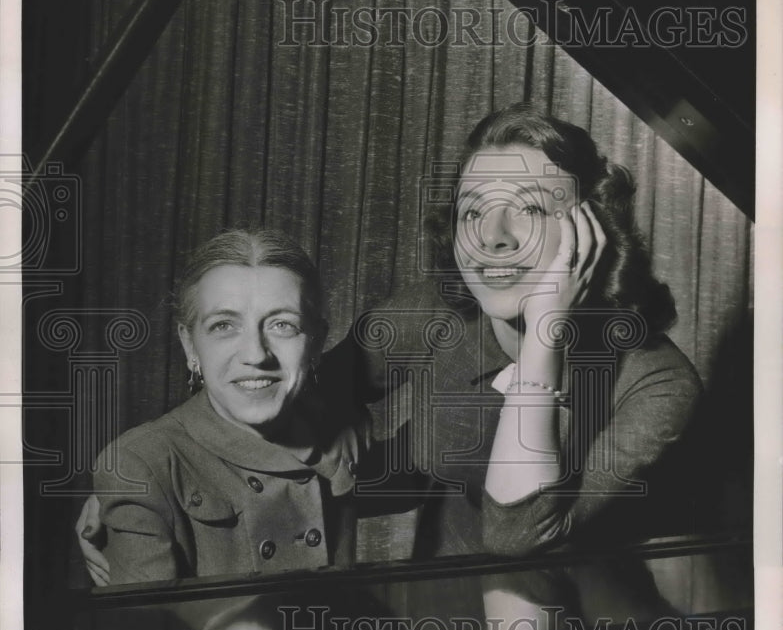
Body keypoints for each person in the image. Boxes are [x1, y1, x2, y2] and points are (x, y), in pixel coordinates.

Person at [341, 102, 703, 555]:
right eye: (472, 212)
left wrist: (544, 334)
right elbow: (303, 389)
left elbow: (517, 539)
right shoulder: (432, 310)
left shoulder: (658, 385)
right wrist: (336, 417)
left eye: (529, 209)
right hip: (440, 604)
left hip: (584, 614)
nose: (491, 236)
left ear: (590, 232)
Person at [81, 228, 368, 586]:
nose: (255, 355)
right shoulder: (141, 465)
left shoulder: (340, 435)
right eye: (223, 326)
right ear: (190, 346)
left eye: (282, 324)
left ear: (315, 343)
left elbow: (440, 309)